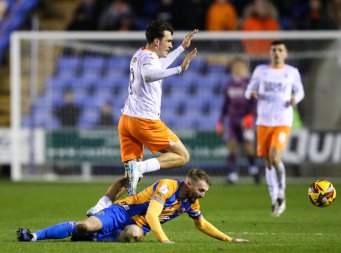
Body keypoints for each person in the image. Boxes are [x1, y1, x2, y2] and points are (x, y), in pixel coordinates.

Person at [87, 20, 199, 215]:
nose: (171, 44)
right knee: (183, 156)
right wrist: (180, 69)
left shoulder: (140, 54)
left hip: (127, 121)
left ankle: (100, 206)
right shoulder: (148, 59)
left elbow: (159, 65)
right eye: (169, 41)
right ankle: (140, 167)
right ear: (157, 41)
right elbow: (149, 74)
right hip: (144, 121)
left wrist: (182, 47)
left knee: (131, 177)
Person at [17, 168, 249, 244]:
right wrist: (165, 240)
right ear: (188, 184)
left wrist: (229, 240)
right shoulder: (167, 187)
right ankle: (34, 236)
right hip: (121, 212)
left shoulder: (191, 201)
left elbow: (202, 224)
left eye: (205, 192)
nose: (203, 195)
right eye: (201, 190)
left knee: (134, 235)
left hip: (138, 225)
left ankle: (92, 239)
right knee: (85, 224)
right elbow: (152, 214)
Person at [244, 41, 305, 217]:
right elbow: (248, 91)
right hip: (263, 121)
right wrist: (252, 93)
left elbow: (300, 91)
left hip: (283, 120)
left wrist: (295, 99)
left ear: (285, 54)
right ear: (270, 53)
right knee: (268, 161)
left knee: (275, 157)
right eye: (274, 50)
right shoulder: (261, 71)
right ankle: (273, 198)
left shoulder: (291, 72)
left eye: (280, 50)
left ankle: (281, 193)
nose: (277, 53)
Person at [215, 57, 260, 185]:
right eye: (236, 66)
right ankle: (232, 174)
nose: (238, 68)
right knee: (231, 146)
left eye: (240, 66)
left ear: (245, 68)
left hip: (246, 120)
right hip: (232, 120)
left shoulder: (250, 83)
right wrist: (220, 121)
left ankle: (253, 169)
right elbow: (225, 105)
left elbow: (254, 102)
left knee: (248, 146)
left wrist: (251, 116)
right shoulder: (229, 84)